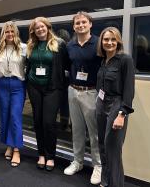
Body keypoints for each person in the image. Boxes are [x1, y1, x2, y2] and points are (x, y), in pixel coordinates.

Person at [25, 17, 69, 171]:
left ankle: (50, 156)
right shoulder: (31, 45)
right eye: (36, 28)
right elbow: (28, 65)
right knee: (37, 121)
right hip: (34, 87)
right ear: (33, 31)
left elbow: (67, 65)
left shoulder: (59, 44)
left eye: (42, 27)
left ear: (48, 27)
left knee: (48, 123)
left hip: (53, 89)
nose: (40, 30)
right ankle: (41, 154)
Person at [64, 11, 102, 185]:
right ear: (74, 26)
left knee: (94, 133)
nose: (80, 25)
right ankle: (78, 161)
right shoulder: (70, 45)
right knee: (77, 130)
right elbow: (67, 66)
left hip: (91, 92)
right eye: (77, 23)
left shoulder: (98, 44)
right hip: (73, 90)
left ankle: (98, 165)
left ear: (90, 24)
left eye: (83, 22)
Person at [96, 27, 135, 187]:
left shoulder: (125, 60)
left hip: (116, 105)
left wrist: (122, 114)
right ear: (101, 42)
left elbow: (129, 89)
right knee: (102, 146)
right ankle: (105, 181)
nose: (109, 42)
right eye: (106, 39)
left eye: (113, 39)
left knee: (113, 149)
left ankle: (116, 184)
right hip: (101, 103)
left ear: (118, 41)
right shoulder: (103, 60)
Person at [0, 21, 26, 167]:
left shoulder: (23, 48)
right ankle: (9, 144)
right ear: (3, 33)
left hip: (17, 85)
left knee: (15, 116)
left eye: (12, 31)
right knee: (5, 115)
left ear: (16, 33)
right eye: (7, 31)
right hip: (2, 84)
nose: (9, 34)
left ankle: (16, 150)